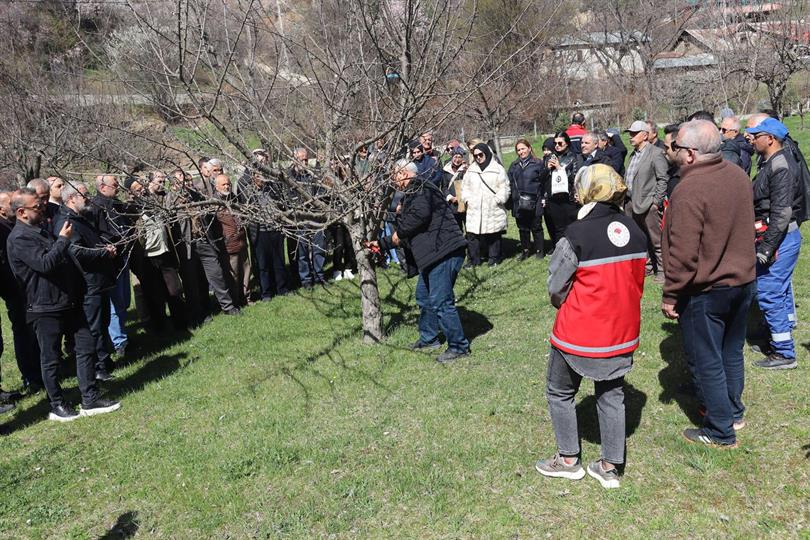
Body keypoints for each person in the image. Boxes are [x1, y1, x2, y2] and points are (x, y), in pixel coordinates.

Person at [535, 164, 646, 489]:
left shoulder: (576, 234)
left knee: (559, 391)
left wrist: (564, 303)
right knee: (612, 394)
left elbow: (557, 285)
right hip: (621, 330)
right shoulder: (635, 231)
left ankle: (568, 460)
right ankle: (610, 465)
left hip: (579, 332)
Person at [661, 119, 756, 448]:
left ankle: (720, 429)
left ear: (689, 153)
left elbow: (684, 254)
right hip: (742, 283)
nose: (672, 152)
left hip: (707, 289)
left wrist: (671, 293)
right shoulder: (739, 176)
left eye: (675, 148)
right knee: (731, 352)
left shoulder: (688, 190)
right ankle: (734, 412)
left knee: (709, 359)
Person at [7, 188, 120, 421]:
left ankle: (89, 398)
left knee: (86, 346)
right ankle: (57, 404)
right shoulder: (19, 238)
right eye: (37, 207)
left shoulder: (40, 230)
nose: (43, 209)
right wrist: (62, 241)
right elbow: (44, 264)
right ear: (21, 212)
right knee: (51, 359)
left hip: (67, 300)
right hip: (44, 307)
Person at [375, 160, 470, 364]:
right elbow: (408, 231)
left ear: (404, 173)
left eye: (395, 175)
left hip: (444, 251)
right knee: (424, 297)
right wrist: (383, 243)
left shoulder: (421, 188)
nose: (394, 180)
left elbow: (418, 217)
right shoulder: (413, 193)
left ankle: (459, 346)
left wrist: (397, 229)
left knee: (441, 301)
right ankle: (430, 338)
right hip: (433, 254)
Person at [746, 117, 805, 370]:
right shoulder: (769, 162)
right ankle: (778, 336)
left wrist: (766, 249)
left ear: (769, 139)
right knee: (775, 290)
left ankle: (784, 352)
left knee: (769, 292)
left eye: (756, 135)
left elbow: (781, 213)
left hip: (780, 239)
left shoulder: (780, 166)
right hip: (776, 238)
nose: (751, 138)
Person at [53, 182, 118, 382]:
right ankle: (98, 368)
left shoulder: (81, 218)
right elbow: (76, 251)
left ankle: (105, 361)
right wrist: (103, 252)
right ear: (71, 198)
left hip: (99, 280)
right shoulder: (65, 222)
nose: (88, 197)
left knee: (103, 322)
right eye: (84, 195)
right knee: (94, 328)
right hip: (88, 284)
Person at [0, 191, 43, 393]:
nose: (14, 205)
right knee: (23, 333)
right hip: (13, 289)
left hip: (26, 288)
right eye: (10, 203)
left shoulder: (11, 225)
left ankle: (40, 371)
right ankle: (30, 376)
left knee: (33, 332)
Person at [623, 120, 669, 281]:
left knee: (656, 240)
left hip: (648, 204)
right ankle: (647, 267)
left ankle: (663, 271)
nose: (631, 136)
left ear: (645, 135)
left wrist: (656, 202)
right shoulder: (633, 154)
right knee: (639, 238)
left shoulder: (655, 153)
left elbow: (663, 179)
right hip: (630, 202)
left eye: (634, 133)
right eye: (630, 133)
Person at [91, 175, 130, 356]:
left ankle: (123, 335)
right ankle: (119, 342)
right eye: (115, 185)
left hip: (123, 257)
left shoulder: (117, 204)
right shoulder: (97, 207)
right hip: (111, 260)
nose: (118, 187)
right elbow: (100, 234)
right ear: (102, 187)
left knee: (124, 301)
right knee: (115, 303)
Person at [462, 143, 510, 267]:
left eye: (480, 154)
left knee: (493, 234)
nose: (478, 157)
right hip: (475, 207)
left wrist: (498, 199)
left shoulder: (497, 169)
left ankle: (494, 258)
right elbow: (465, 187)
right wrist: (468, 199)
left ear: (486, 153)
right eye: (475, 155)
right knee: (472, 235)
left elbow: (505, 187)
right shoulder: (471, 170)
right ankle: (473, 260)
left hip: (493, 207)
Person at [288, 148, 327, 288]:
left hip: (315, 216)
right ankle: (306, 280)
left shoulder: (312, 175)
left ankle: (319, 276)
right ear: (294, 159)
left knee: (319, 248)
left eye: (306, 159)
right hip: (300, 218)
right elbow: (288, 196)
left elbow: (321, 191)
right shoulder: (289, 176)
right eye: (301, 159)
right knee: (302, 251)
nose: (304, 162)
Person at [507, 139, 547, 260]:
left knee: (536, 227)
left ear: (529, 148)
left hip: (535, 200)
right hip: (518, 202)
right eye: (518, 150)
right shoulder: (514, 165)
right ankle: (525, 250)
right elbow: (509, 183)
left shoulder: (538, 163)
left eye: (523, 148)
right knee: (523, 228)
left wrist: (543, 198)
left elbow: (544, 182)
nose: (521, 152)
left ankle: (540, 250)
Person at [214, 174, 250, 306]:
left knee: (246, 271)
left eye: (228, 183)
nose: (227, 186)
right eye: (223, 184)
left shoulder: (234, 198)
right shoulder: (215, 203)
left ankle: (246, 297)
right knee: (233, 275)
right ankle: (235, 301)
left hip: (242, 241)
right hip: (229, 245)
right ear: (217, 187)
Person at [545, 132, 583, 249]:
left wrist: (560, 169)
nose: (557, 145)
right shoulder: (550, 157)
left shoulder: (575, 157)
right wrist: (546, 169)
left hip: (568, 199)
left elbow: (575, 178)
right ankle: (560, 253)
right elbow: (541, 179)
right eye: (555, 143)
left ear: (567, 143)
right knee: (558, 229)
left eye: (560, 143)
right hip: (554, 199)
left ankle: (575, 250)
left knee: (571, 227)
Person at [441, 146, 468, 232]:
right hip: (452, 205)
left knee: (469, 227)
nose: (457, 159)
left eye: (459, 157)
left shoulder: (466, 169)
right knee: (457, 228)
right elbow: (444, 187)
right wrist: (450, 197)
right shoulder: (446, 170)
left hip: (465, 203)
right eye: (455, 157)